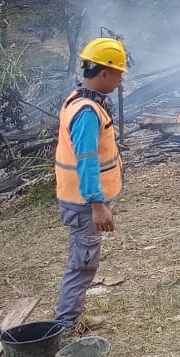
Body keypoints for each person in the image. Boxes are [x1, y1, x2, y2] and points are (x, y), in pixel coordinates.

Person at [53, 37, 127, 331]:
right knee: (83, 264)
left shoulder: (78, 100)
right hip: (85, 202)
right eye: (119, 73)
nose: (121, 80)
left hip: (77, 198)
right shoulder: (86, 113)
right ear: (104, 72)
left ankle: (73, 317)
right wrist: (98, 203)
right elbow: (86, 160)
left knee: (84, 260)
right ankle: (66, 325)